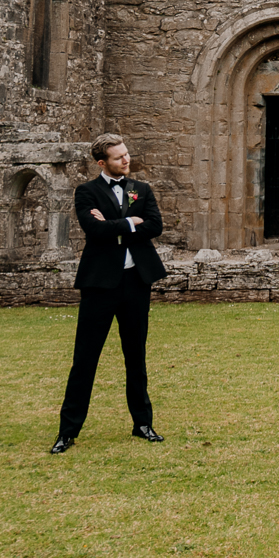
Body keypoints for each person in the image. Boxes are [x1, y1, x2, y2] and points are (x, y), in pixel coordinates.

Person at [50, 134, 168, 453]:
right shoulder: (86, 192)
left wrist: (115, 224)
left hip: (136, 283)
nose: (126, 160)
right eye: (119, 158)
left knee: (136, 356)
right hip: (99, 284)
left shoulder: (140, 190)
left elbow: (155, 226)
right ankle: (68, 431)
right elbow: (94, 231)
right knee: (85, 359)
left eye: (127, 155)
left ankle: (143, 424)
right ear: (102, 163)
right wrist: (131, 222)